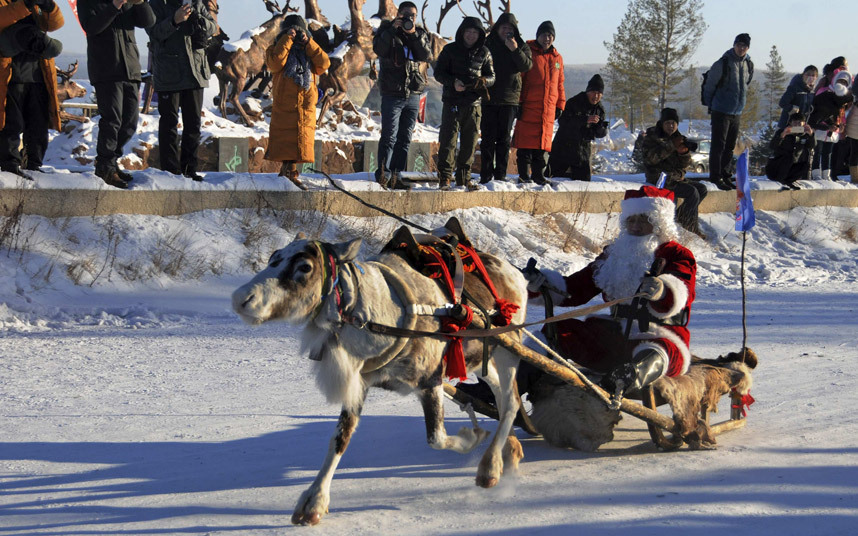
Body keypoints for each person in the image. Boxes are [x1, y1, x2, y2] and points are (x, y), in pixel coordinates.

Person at [523, 185, 696, 399]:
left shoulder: (677, 253)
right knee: (556, 332)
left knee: (653, 353)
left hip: (658, 334)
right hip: (613, 336)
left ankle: (613, 390)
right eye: (631, 220)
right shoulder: (613, 254)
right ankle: (510, 389)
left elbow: (683, 287)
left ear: (659, 223)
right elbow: (576, 289)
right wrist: (542, 285)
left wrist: (663, 290)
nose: (635, 226)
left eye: (644, 220)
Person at [78, 0, 155, 189]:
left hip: (130, 69)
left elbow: (149, 21)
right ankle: (105, 167)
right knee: (112, 120)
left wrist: (141, 3)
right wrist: (115, 5)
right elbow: (92, 27)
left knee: (129, 122)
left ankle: (111, 162)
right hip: (106, 68)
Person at [147, 0, 216, 182]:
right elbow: (153, 32)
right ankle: (169, 172)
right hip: (170, 74)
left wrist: (198, 19)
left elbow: (212, 27)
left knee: (193, 123)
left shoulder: (196, 2)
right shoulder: (156, 4)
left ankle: (189, 170)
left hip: (195, 72)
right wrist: (174, 21)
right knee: (169, 123)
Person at [264, 14, 330, 190]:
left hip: (306, 105)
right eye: (291, 30)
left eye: (299, 31)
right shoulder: (275, 47)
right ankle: (288, 174)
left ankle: (290, 174)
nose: (296, 34)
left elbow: (324, 63)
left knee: (301, 143)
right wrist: (287, 38)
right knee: (286, 141)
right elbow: (275, 62)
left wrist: (308, 42)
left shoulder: (309, 50)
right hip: (286, 104)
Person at [371, 1, 432, 190]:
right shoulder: (385, 30)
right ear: (398, 14)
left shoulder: (420, 33)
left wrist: (413, 35)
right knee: (389, 135)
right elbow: (378, 50)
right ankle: (383, 174)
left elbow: (426, 55)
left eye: (412, 15)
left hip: (413, 92)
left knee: (405, 138)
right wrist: (391, 30)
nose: (409, 18)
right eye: (405, 15)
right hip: (392, 92)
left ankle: (396, 175)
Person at [0, 0, 63, 178]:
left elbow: (55, 25)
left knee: (38, 123)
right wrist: (26, 5)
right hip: (10, 74)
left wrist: (49, 6)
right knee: (10, 123)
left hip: (38, 74)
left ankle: (33, 164)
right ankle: (9, 165)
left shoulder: (36, 5)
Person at [433, 16, 494, 190]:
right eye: (468, 31)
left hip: (474, 104)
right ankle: (445, 178)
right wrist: (453, 82)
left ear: (480, 34)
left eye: (475, 32)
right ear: (462, 32)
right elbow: (438, 73)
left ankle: (463, 178)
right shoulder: (450, 50)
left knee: (470, 143)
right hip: (453, 101)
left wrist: (482, 81)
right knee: (448, 141)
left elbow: (492, 77)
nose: (471, 35)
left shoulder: (485, 52)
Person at [479, 12, 531, 184]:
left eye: (510, 28)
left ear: (514, 30)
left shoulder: (521, 46)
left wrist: (514, 50)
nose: (506, 31)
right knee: (487, 138)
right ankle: (486, 175)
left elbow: (526, 66)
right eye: (503, 28)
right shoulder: (487, 43)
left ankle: (500, 175)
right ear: (498, 28)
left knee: (503, 139)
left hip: (509, 99)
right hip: (489, 97)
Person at [641, 108, 707, 238]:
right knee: (691, 192)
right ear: (662, 123)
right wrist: (671, 145)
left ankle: (681, 217)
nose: (671, 126)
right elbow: (650, 159)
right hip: (659, 177)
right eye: (668, 123)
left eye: (673, 123)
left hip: (674, 177)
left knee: (701, 189)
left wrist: (683, 153)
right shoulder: (652, 137)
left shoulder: (678, 137)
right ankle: (690, 226)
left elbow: (684, 165)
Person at [510, 20, 563, 185]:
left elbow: (559, 84)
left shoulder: (557, 58)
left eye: (550, 35)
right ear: (538, 35)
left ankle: (538, 176)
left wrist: (560, 105)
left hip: (547, 110)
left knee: (542, 146)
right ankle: (524, 176)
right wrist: (518, 102)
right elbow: (520, 79)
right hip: (528, 106)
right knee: (525, 145)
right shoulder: (528, 52)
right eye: (544, 34)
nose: (547, 38)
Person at [702, 33, 754, 191]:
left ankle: (725, 174)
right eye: (739, 45)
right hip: (721, 110)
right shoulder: (723, 63)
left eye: (744, 46)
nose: (741, 48)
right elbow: (710, 85)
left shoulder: (748, 64)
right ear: (734, 45)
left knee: (730, 146)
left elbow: (746, 83)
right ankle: (715, 177)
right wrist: (711, 104)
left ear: (748, 48)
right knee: (719, 145)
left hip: (736, 111)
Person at [546, 74, 607, 181]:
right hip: (563, 148)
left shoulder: (599, 110)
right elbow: (563, 122)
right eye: (594, 92)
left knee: (583, 184)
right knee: (551, 180)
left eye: (599, 93)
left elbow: (599, 133)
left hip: (582, 151)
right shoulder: (574, 102)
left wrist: (600, 129)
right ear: (588, 91)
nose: (596, 96)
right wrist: (585, 119)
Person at [808, 70, 852, 181]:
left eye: (844, 82)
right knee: (817, 152)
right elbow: (817, 115)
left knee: (828, 153)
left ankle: (826, 175)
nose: (842, 84)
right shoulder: (825, 95)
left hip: (833, 132)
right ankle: (816, 174)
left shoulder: (843, 100)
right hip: (820, 129)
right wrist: (827, 126)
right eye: (840, 81)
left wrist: (841, 126)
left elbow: (841, 115)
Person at [765, 112, 814, 190]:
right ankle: (781, 181)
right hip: (777, 166)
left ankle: (789, 181)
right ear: (790, 123)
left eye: (799, 123)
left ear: (804, 124)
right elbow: (772, 146)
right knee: (788, 157)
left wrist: (811, 135)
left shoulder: (804, 135)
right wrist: (783, 135)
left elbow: (812, 146)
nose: (797, 125)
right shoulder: (781, 132)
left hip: (792, 166)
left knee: (805, 164)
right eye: (795, 123)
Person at [777, 65, 817, 129]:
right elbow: (782, 103)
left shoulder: (812, 92)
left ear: (816, 78)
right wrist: (792, 108)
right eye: (808, 74)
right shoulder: (794, 87)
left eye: (813, 75)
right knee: (785, 138)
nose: (810, 77)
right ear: (803, 75)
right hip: (788, 124)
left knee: (801, 138)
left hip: (802, 125)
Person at [844, 92, 858, 184]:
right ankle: (855, 178)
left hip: (854, 133)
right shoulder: (856, 106)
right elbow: (851, 120)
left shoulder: (855, 105)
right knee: (855, 154)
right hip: (855, 132)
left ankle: (855, 178)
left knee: (855, 153)